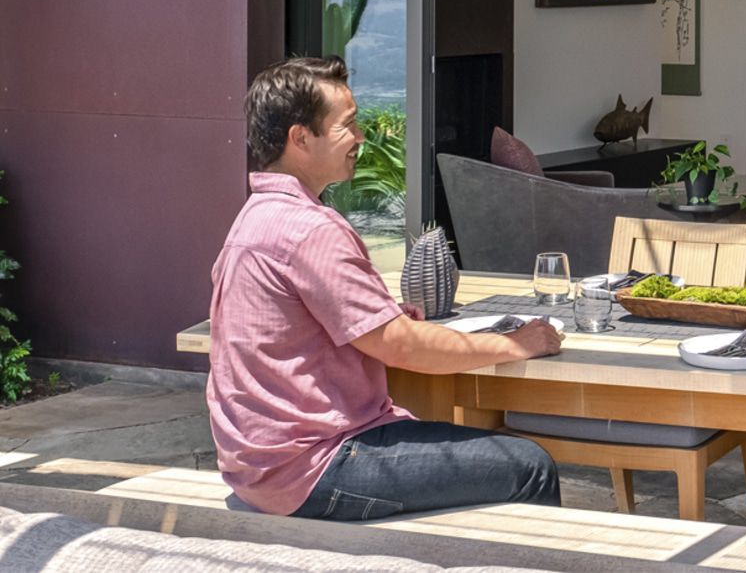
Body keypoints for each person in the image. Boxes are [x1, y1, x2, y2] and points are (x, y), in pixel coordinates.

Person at [208, 56, 564, 520]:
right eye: (348, 126)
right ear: (300, 138)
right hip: (317, 465)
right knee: (530, 466)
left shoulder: (254, 217)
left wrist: (387, 321)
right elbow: (401, 347)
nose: (360, 138)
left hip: (259, 466)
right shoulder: (309, 230)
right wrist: (515, 344)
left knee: (460, 448)